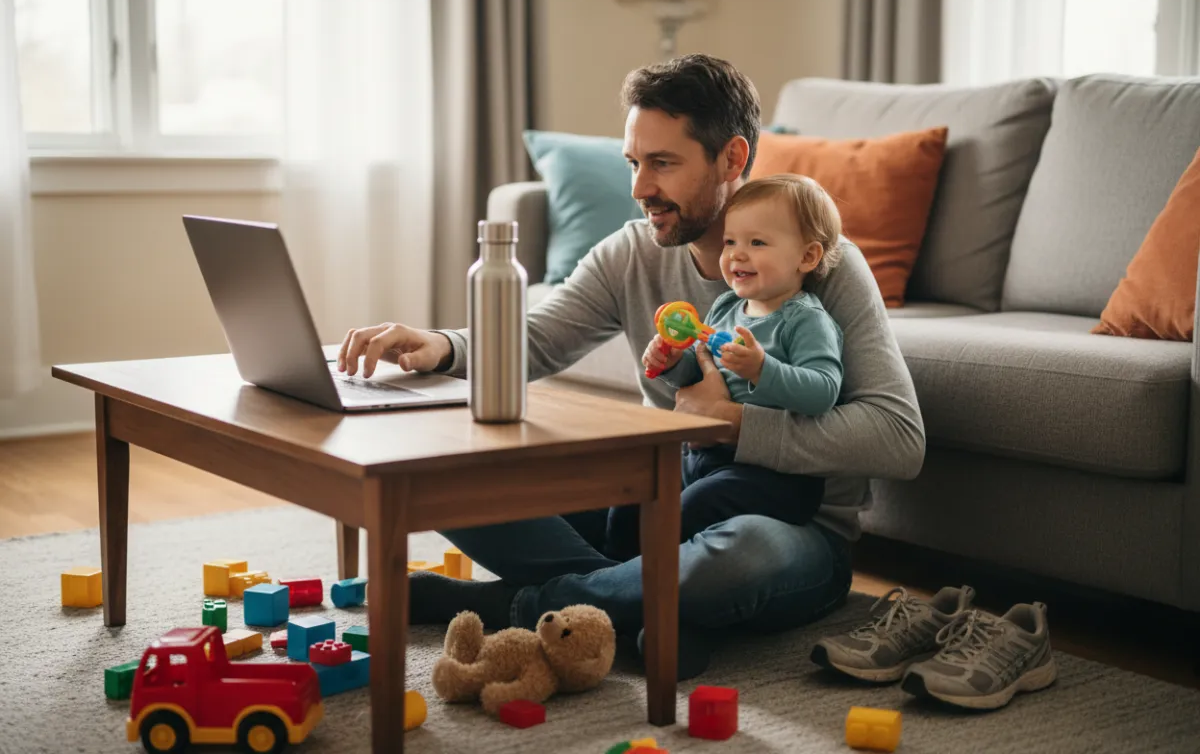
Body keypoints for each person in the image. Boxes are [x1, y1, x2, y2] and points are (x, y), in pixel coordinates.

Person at [337, 54, 924, 678]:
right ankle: (641, 608)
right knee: (443, 477)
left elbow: (899, 438)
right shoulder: (631, 252)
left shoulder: (825, 267)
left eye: (663, 164)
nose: (641, 188)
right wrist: (439, 346)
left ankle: (516, 606)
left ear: (731, 159)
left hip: (791, 529)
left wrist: (735, 424)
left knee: (736, 556)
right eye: (634, 163)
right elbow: (535, 340)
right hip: (656, 507)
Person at [607, 174, 845, 562]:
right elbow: (704, 373)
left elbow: (823, 391)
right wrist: (672, 364)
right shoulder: (725, 309)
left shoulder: (805, 320)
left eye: (757, 242)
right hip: (705, 459)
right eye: (730, 241)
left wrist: (762, 369)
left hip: (773, 475)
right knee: (635, 491)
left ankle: (644, 587)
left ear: (807, 257)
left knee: (690, 509)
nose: (736, 254)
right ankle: (610, 576)